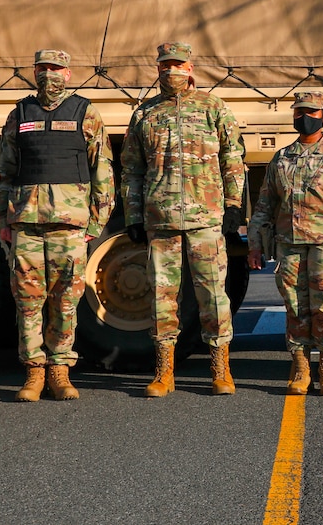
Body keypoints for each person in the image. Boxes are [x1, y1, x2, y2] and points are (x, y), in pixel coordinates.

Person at [121, 42, 245, 397]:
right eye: (164, 65)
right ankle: (164, 371)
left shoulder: (213, 108)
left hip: (205, 217)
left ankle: (220, 368)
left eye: (177, 64)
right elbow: (131, 169)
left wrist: (234, 206)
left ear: (190, 68)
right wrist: (132, 214)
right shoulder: (145, 114)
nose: (170, 71)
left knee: (213, 295)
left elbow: (233, 160)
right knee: (162, 297)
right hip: (160, 219)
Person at [0, 49, 114, 402]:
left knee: (65, 300)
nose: (49, 75)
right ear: (34, 72)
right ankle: (33, 373)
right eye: (43, 68)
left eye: (56, 68)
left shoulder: (85, 113)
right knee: (28, 301)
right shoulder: (20, 113)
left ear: (69, 74)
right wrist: (2, 218)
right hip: (26, 222)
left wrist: (98, 219)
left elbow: (102, 168)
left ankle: (59, 370)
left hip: (69, 223)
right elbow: (6, 168)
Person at [247, 92, 323, 395]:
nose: (305, 116)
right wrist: (255, 244)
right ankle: (301, 367)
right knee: (295, 306)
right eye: (300, 111)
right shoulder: (282, 157)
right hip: (289, 244)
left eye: (312, 111)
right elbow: (264, 204)